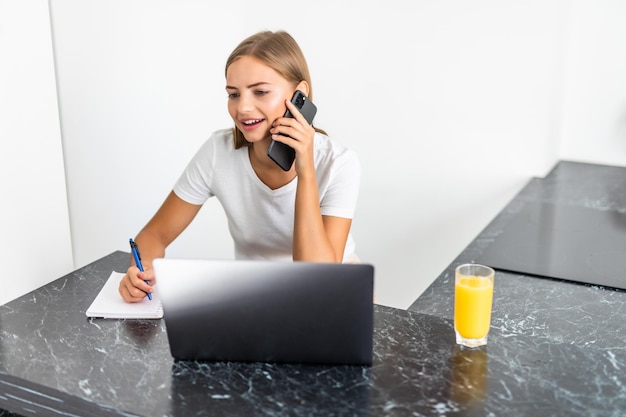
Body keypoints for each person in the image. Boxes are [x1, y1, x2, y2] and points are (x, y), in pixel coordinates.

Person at [119, 30, 361, 303]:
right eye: (233, 94)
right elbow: (153, 234)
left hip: (332, 297)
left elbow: (319, 282)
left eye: (260, 91)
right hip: (256, 296)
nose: (243, 107)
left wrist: (306, 173)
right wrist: (142, 272)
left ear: (299, 95)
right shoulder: (218, 152)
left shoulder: (339, 163)